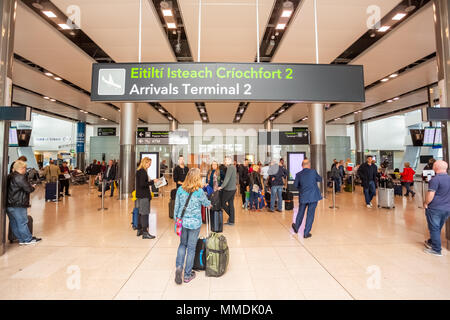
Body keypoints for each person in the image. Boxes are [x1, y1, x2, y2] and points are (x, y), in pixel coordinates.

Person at [174, 168, 211, 284]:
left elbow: (176, 207)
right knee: (191, 248)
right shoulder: (199, 192)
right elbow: (206, 203)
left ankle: (179, 267)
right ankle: (187, 275)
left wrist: (177, 220)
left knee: (182, 244)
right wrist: (209, 204)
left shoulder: (180, 190)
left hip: (183, 222)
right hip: (195, 223)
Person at [6, 160, 41, 245]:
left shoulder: (9, 176)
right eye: (25, 168)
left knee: (14, 223)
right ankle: (28, 239)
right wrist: (32, 187)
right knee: (22, 222)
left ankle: (21, 239)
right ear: (22, 168)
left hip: (9, 204)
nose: (26, 170)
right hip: (18, 204)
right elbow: (28, 189)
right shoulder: (20, 177)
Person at [423, 160, 450, 256]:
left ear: (435, 168)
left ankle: (436, 249)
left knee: (434, 228)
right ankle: (431, 241)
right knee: (438, 226)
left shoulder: (435, 179)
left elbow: (431, 194)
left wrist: (426, 203)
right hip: (447, 208)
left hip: (435, 208)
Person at [292, 159, 322, 239]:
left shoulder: (298, 174)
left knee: (300, 212)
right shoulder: (313, 172)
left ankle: (297, 227)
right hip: (313, 196)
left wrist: (301, 188)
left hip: (303, 196)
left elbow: (295, 185)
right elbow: (320, 179)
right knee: (310, 214)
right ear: (309, 165)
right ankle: (306, 233)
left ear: (302, 166)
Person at [135, 157, 159, 240]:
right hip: (144, 195)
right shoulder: (142, 172)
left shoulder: (139, 171)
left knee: (140, 212)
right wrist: (153, 181)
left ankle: (139, 229)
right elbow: (143, 184)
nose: (150, 165)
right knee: (145, 213)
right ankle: (145, 232)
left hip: (140, 195)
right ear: (145, 163)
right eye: (149, 163)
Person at [218, 157, 237, 225]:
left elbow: (227, 178)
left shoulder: (230, 167)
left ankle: (231, 217)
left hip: (229, 189)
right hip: (233, 189)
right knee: (231, 204)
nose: (225, 161)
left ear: (230, 161)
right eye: (225, 160)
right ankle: (231, 221)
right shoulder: (233, 167)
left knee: (222, 202)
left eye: (226, 160)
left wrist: (221, 187)